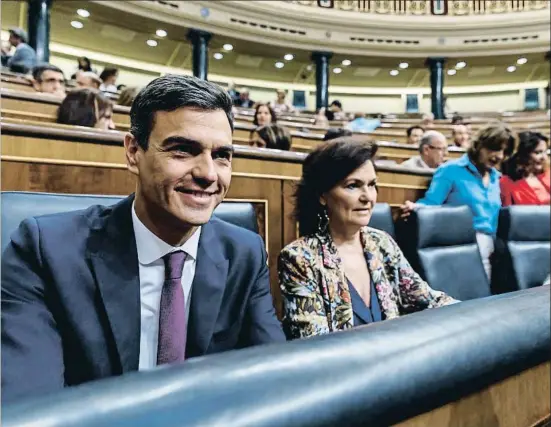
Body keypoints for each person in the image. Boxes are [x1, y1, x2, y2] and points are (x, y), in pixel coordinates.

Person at [2, 74, 285, 403]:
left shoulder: (245, 254)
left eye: (222, 155)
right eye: (183, 150)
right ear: (134, 151)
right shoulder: (44, 250)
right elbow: (30, 407)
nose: (209, 173)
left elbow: (274, 385)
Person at [278, 138, 457, 339]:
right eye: (353, 186)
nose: (368, 197)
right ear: (322, 195)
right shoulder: (300, 258)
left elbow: (428, 299)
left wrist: (471, 314)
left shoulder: (381, 242)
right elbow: (313, 342)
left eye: (371, 185)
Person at [400, 122, 515, 279]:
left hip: (495, 247)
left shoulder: (496, 177)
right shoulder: (450, 170)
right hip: (465, 246)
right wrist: (415, 207)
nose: (499, 156)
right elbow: (432, 204)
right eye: (494, 149)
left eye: (504, 151)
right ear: (479, 145)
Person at [500, 131, 550, 206]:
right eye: (538, 152)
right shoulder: (507, 183)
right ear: (523, 155)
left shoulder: (547, 176)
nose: (544, 157)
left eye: (545, 152)